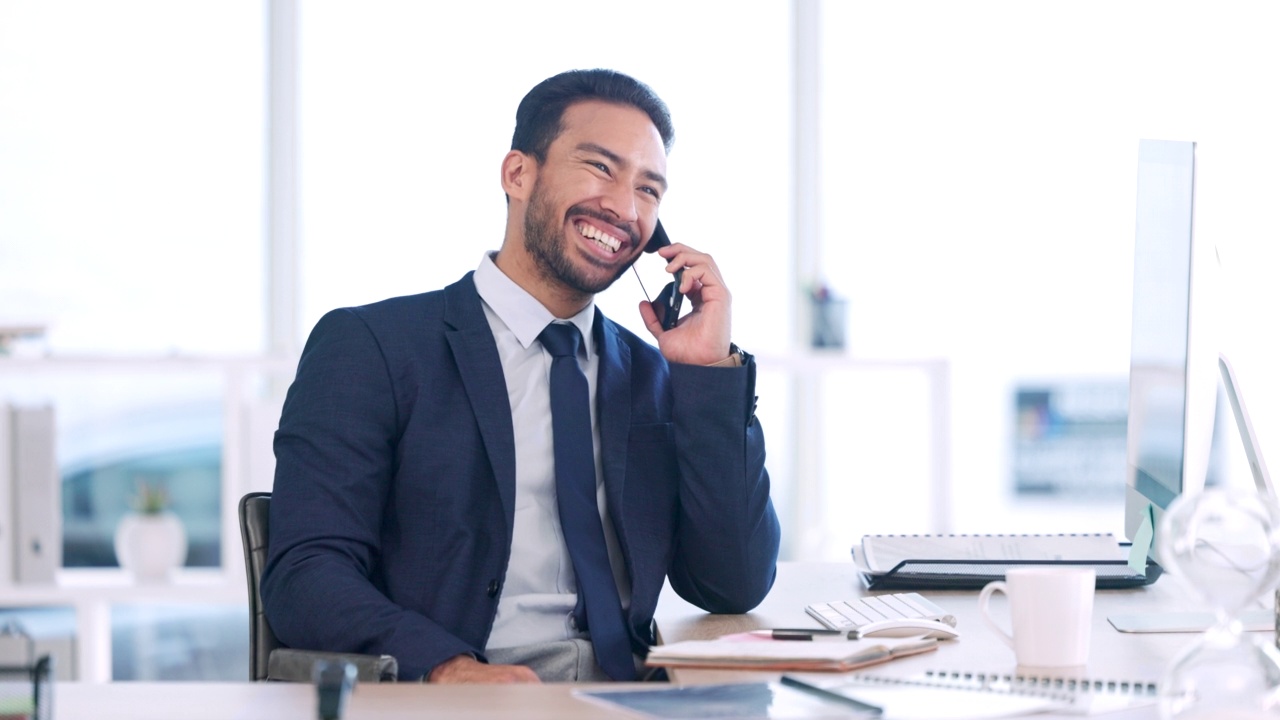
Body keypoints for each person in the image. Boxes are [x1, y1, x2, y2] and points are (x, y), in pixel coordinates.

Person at [261, 68, 781, 684]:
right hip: (468, 694)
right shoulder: (375, 347)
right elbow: (306, 573)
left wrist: (707, 374)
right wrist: (446, 667)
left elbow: (732, 581)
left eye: (649, 190)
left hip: (630, 694)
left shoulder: (652, 376)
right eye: (600, 168)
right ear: (518, 174)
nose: (624, 208)